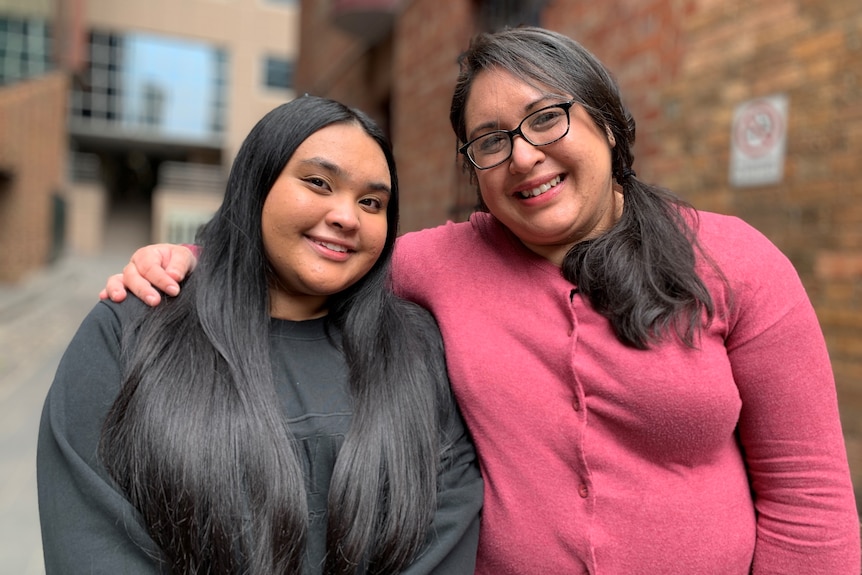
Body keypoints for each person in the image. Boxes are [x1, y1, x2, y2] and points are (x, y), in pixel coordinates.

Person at [101, 27, 861, 574]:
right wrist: (190, 257)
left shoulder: (736, 261)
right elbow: (327, 251)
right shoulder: (446, 259)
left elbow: (810, 497)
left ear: (606, 121)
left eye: (546, 118)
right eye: (489, 141)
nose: (523, 156)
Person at [38, 96, 483, 575]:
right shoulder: (133, 330)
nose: (347, 217)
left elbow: (447, 529)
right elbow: (90, 541)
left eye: (371, 202)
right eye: (318, 182)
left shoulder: (417, 353)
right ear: (257, 183)